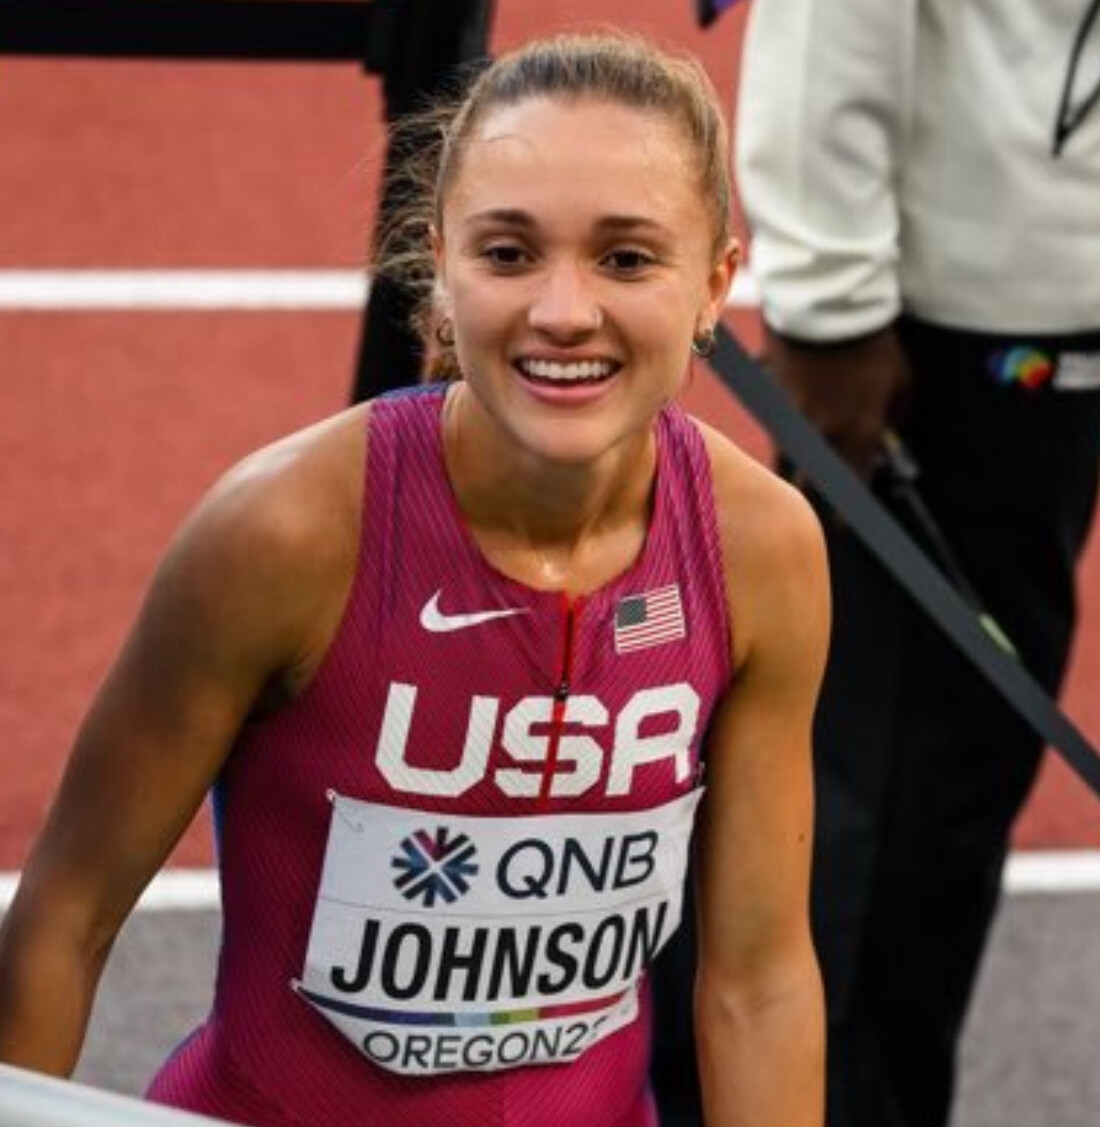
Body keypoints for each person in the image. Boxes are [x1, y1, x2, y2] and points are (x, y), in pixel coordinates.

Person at [0, 32, 828, 1127]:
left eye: (626, 259)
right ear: (439, 266)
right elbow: (65, 919)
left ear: (715, 282)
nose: (563, 310)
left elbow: (758, 981)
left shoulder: (761, 550)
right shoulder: (284, 534)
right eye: (508, 254)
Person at [702, 2, 1098, 1126]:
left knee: (953, 795)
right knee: (854, 803)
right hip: (929, 344)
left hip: (1051, 340)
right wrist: (829, 310)